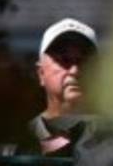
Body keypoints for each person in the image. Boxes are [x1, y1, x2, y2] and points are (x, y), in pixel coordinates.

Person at [32, 17, 98, 155]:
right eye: (64, 60)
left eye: (84, 61)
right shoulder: (15, 143)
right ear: (41, 73)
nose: (75, 71)